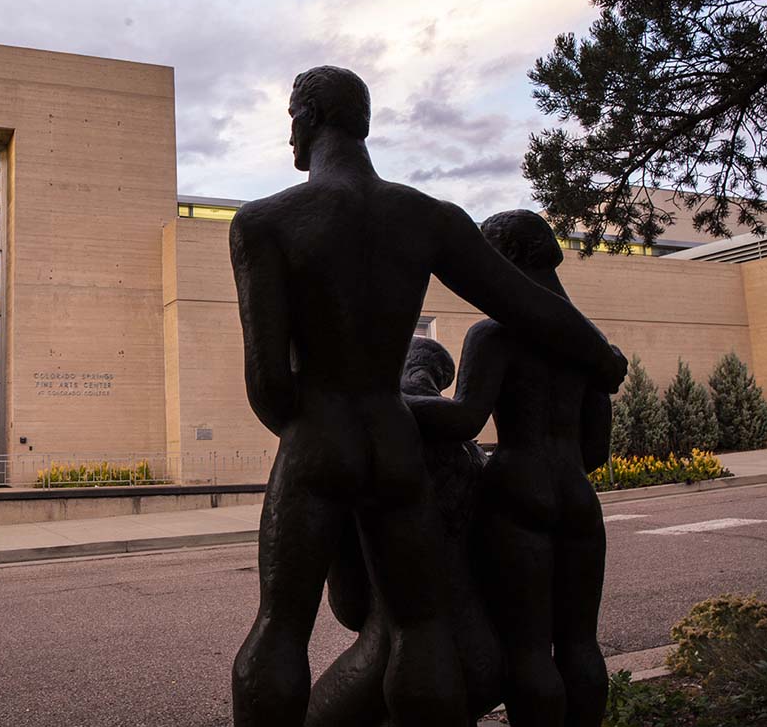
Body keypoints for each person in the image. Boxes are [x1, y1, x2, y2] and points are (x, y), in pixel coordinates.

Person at [229, 65, 626, 727]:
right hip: (393, 438)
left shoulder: (265, 222)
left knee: (280, 627)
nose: (289, 139)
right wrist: (600, 355)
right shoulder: (426, 217)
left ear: (308, 119)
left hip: (319, 433)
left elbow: (268, 385)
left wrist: (312, 431)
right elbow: (526, 303)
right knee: (420, 626)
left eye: (291, 123)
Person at [406, 210, 612, 727]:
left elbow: (464, 418)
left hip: (519, 486)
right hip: (577, 494)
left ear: (512, 257)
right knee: (580, 642)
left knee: (528, 650)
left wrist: (396, 400)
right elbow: (597, 449)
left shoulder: (494, 334)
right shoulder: (591, 345)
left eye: (488, 256)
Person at [307, 337, 502, 727]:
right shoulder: (475, 457)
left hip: (391, 657)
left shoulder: (370, 446)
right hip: (483, 655)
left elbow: (348, 604)